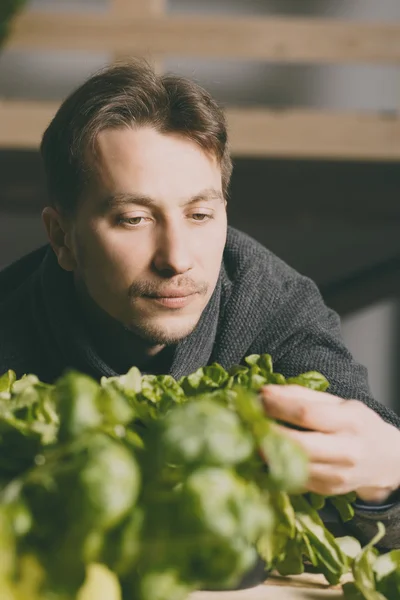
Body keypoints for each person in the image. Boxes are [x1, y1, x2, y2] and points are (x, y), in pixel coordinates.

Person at [0, 60, 399, 553]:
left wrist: (385, 483)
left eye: (200, 214)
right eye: (134, 218)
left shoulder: (275, 306)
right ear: (63, 238)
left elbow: (372, 479)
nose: (178, 258)